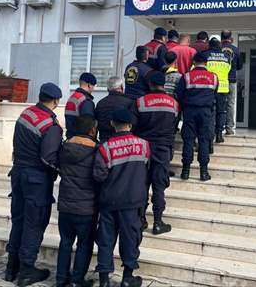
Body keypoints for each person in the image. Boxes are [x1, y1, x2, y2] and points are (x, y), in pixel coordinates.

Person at [4, 83, 63, 286]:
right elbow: (49, 158)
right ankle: (27, 270)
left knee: (19, 220)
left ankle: (11, 268)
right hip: (37, 180)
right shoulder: (50, 125)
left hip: (18, 173)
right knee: (34, 224)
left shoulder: (26, 113)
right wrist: (63, 171)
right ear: (56, 101)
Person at [93, 109, 150, 287]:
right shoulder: (144, 145)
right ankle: (127, 278)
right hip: (133, 202)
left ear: (112, 124)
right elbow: (147, 169)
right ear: (130, 125)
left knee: (106, 241)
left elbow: (99, 176)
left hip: (109, 201)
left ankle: (104, 280)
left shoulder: (105, 147)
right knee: (130, 239)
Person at [56, 116, 99, 287]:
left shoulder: (65, 147)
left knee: (65, 242)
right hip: (86, 207)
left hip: (65, 205)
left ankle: (60, 279)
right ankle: (77, 281)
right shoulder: (96, 150)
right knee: (84, 244)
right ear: (92, 130)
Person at [133, 72, 178, 235]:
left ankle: (141, 220)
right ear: (164, 84)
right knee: (159, 186)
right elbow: (174, 127)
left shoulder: (140, 102)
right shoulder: (174, 103)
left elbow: (133, 125)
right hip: (163, 149)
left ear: (150, 84)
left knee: (142, 184)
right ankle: (158, 222)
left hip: (143, 148)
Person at [175, 53, 218, 181]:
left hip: (190, 111)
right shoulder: (214, 77)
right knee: (204, 140)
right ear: (206, 63)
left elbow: (179, 94)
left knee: (188, 140)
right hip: (206, 112)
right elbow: (215, 95)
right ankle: (203, 173)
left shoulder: (186, 76)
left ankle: (185, 172)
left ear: (194, 62)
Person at [204, 38, 231, 143]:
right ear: (220, 45)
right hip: (223, 88)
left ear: (209, 45)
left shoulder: (205, 55)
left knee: (208, 112)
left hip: (209, 88)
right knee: (221, 112)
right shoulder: (227, 57)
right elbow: (228, 70)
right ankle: (219, 134)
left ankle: (208, 135)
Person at [95, 76, 136, 142]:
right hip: (122, 142)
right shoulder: (129, 102)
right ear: (122, 87)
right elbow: (134, 123)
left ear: (108, 89)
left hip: (104, 141)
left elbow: (96, 123)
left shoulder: (100, 103)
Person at [221, 30, 243, 135]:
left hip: (220, 80)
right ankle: (229, 128)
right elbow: (239, 66)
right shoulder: (236, 50)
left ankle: (218, 127)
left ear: (221, 38)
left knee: (219, 103)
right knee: (230, 104)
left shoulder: (218, 49)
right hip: (231, 80)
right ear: (231, 38)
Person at [65, 72, 96, 139]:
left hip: (70, 137)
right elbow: (87, 124)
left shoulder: (72, 97)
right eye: (93, 86)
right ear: (89, 85)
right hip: (81, 139)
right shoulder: (86, 100)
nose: (93, 89)